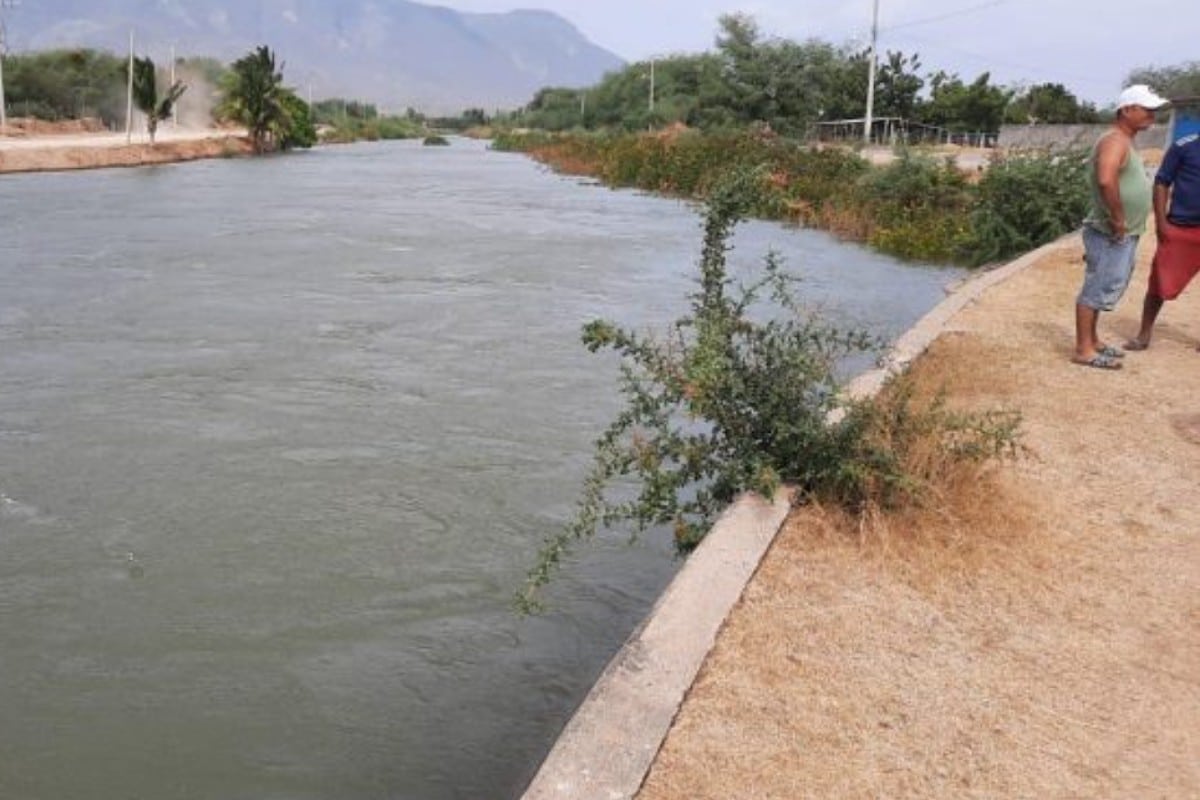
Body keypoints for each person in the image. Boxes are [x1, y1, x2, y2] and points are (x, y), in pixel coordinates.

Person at [1074, 84, 1170, 370]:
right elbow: (1106, 179)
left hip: (1119, 231)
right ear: (1127, 110)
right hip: (1110, 231)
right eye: (1146, 109)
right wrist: (1118, 219)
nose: (1152, 116)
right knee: (1096, 288)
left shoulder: (1124, 140)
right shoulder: (1115, 141)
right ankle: (1084, 349)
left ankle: (1093, 340)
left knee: (1105, 285)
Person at [1124, 126, 1200, 350]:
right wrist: (1161, 223)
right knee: (1159, 283)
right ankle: (1144, 334)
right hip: (1182, 227)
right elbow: (1162, 182)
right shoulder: (1184, 146)